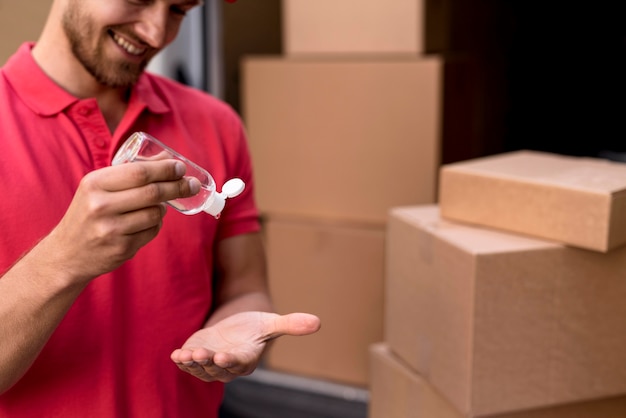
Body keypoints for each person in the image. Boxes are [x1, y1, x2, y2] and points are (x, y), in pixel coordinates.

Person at [0, 0, 321, 416]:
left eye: (179, 10)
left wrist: (234, 328)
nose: (155, 34)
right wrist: (63, 260)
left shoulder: (217, 124)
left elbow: (245, 286)